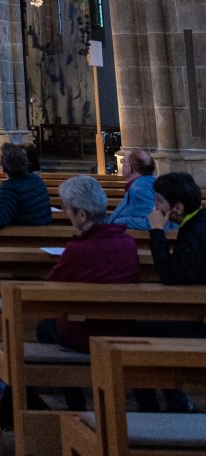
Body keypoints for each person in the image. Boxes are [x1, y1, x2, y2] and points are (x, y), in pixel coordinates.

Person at [37, 175, 140, 353]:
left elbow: (51, 288)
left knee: (42, 327)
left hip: (85, 333)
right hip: (122, 328)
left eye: (67, 208)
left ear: (82, 215)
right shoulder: (128, 243)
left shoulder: (79, 249)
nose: (65, 212)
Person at [148, 172, 206, 285]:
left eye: (159, 201)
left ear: (178, 207)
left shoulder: (196, 235)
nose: (155, 207)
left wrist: (157, 231)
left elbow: (171, 276)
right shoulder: (197, 221)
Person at [107, 148, 159, 230]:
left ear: (130, 167)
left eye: (123, 161)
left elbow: (154, 221)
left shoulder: (140, 188)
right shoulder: (149, 182)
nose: (122, 165)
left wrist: (118, 222)